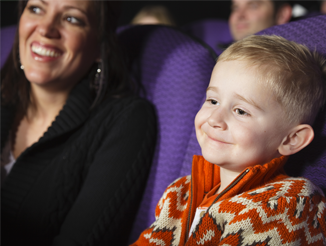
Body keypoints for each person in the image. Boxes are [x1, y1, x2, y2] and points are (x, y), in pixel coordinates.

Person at [131, 35, 326, 245]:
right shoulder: (179, 193)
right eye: (213, 100)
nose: (215, 119)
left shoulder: (289, 204)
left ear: (292, 139)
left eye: (240, 111)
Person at [0, 0, 156, 245]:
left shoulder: (124, 121)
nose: (45, 28)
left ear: (99, 46)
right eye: (36, 9)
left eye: (72, 18)